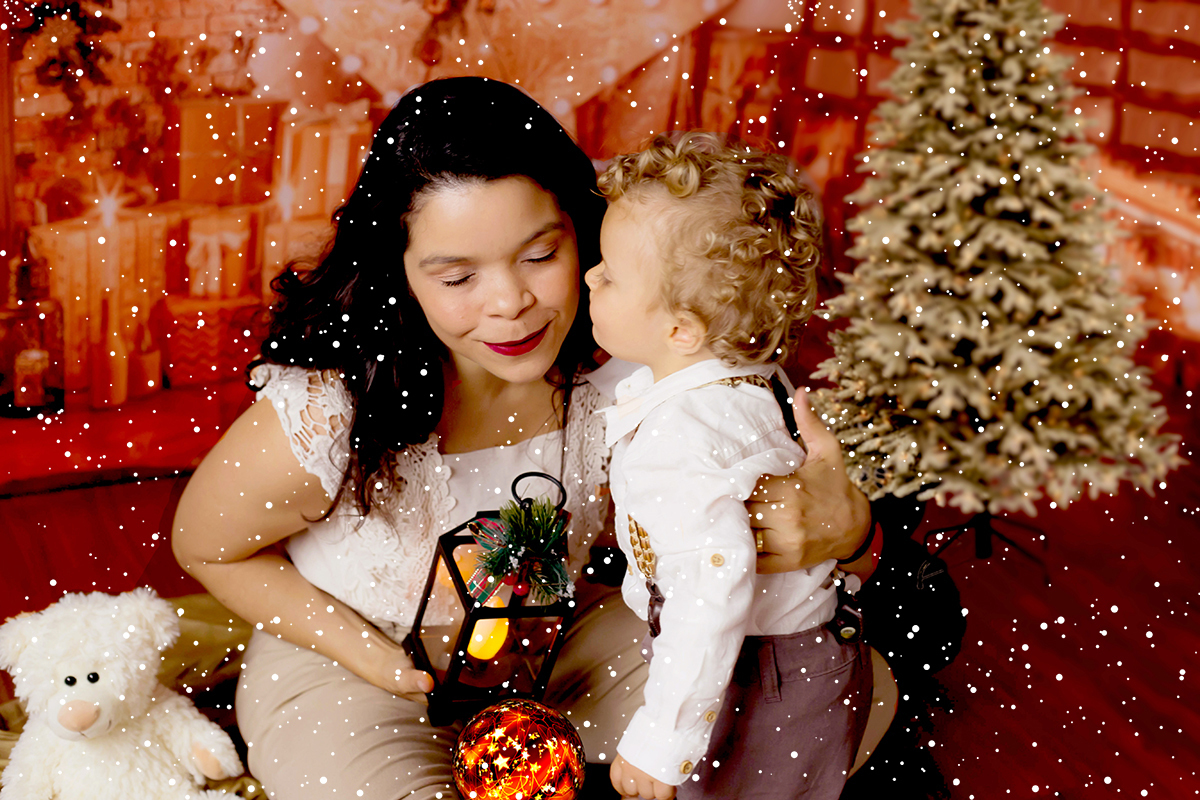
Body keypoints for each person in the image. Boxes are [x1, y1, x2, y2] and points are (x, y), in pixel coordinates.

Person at [171, 77, 876, 800]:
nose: (510, 303)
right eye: (457, 276)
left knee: (827, 702)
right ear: (401, 273)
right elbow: (203, 544)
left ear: (583, 230)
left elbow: (761, 540)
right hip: (355, 666)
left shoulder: (641, 366)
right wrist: (371, 656)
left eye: (540, 256)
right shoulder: (331, 412)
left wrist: (849, 527)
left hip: (547, 645)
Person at [587, 134, 871, 800]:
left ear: (682, 329)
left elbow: (709, 596)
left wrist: (662, 741)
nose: (592, 278)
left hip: (760, 674)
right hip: (807, 656)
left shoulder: (679, 440)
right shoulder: (743, 379)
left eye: (610, 272)